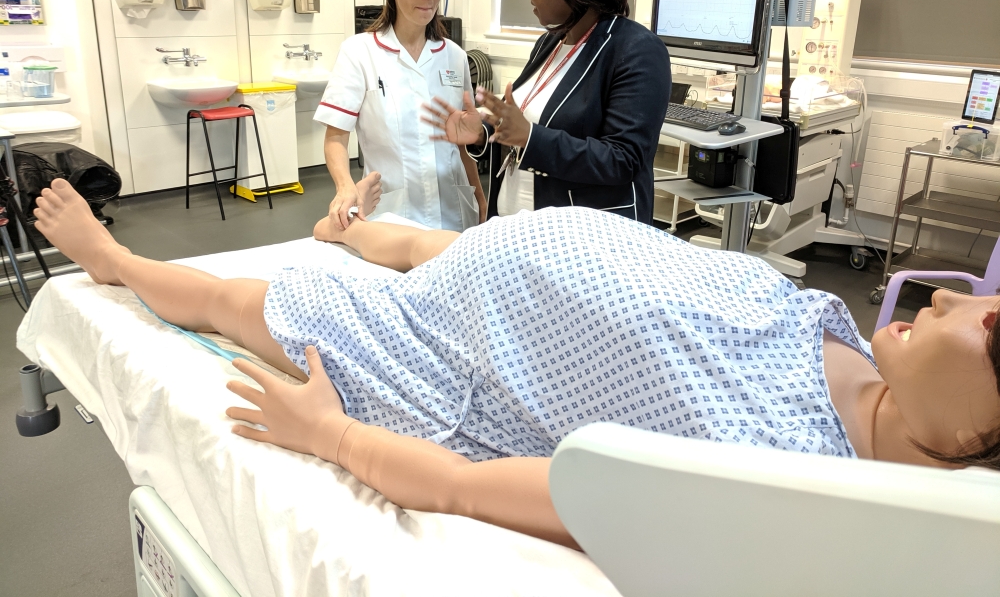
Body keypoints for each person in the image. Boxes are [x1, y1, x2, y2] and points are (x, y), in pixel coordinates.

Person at [34, 179, 1000, 550]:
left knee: (247, 302)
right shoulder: (849, 339)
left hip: (451, 353)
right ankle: (351, 230)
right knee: (402, 243)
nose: (953, 298)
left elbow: (463, 488)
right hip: (490, 261)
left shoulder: (771, 477)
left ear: (974, 437)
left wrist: (330, 435)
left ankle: (113, 261)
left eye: (991, 327)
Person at [423, 0, 671, 223]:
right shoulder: (550, 42)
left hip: (583, 236)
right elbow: (528, 125)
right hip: (518, 225)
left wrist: (530, 138)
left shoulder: (636, 50)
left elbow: (623, 159)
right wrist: (483, 133)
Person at [316, 0, 485, 232]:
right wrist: (345, 187)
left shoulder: (455, 56)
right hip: (392, 215)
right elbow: (336, 137)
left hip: (454, 213)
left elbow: (460, 142)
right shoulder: (360, 53)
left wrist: (479, 196)